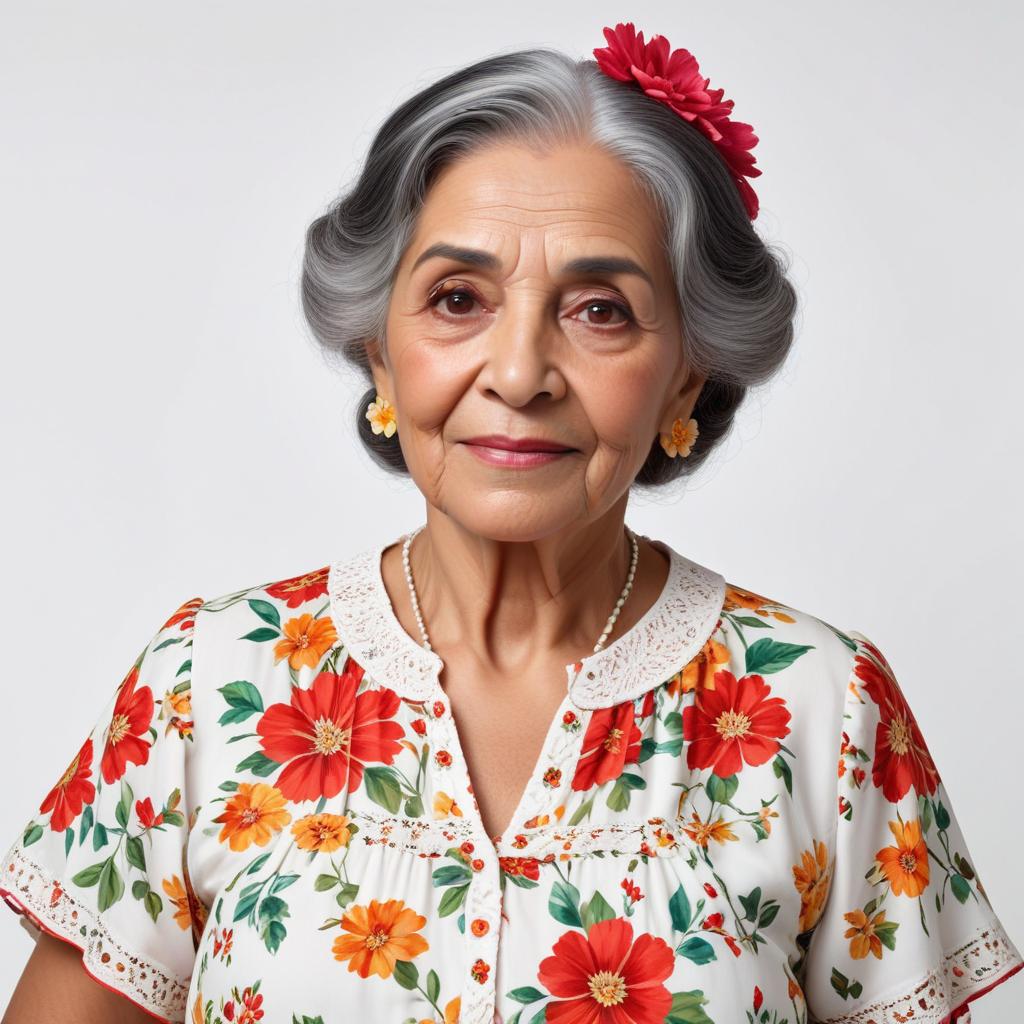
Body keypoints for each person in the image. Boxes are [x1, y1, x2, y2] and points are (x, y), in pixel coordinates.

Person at [1, 20, 1020, 1024]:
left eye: (600, 310)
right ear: (379, 352)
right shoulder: (203, 685)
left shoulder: (824, 709)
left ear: (686, 376)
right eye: (457, 299)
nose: (522, 373)